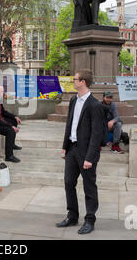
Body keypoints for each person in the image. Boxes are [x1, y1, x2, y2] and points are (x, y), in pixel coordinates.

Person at [56, 69, 105, 235]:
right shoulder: (73, 100)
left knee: (89, 186)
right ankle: (72, 215)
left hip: (86, 153)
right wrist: (65, 145)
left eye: (75, 79)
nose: (73, 81)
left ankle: (90, 219)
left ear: (83, 81)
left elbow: (97, 134)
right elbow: (69, 124)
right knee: (69, 182)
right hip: (72, 148)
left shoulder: (95, 105)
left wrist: (90, 157)